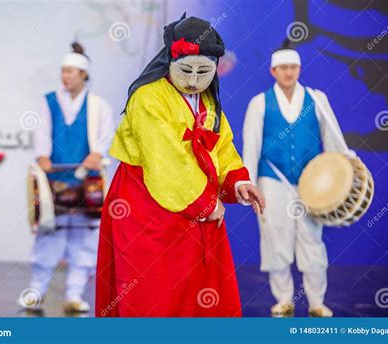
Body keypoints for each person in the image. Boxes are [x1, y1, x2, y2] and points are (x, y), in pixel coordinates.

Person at [95, 15, 265, 317]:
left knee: (200, 291)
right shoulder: (147, 98)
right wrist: (205, 204)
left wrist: (238, 182)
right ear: (170, 61)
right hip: (146, 206)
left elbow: (222, 145)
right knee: (153, 290)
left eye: (204, 71)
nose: (193, 79)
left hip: (196, 201)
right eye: (186, 70)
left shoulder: (208, 102)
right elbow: (165, 159)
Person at [242, 39, 349, 317]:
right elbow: (250, 147)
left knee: (312, 240)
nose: (289, 72)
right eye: (283, 67)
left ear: (299, 69)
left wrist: (344, 170)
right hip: (271, 180)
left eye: (293, 67)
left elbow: (334, 138)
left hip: (310, 183)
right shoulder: (259, 103)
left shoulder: (317, 98)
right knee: (275, 238)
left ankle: (316, 302)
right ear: (273, 71)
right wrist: (248, 183)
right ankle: (284, 299)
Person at [19, 42, 114, 313]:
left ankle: (74, 293)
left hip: (87, 178)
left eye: (71, 71)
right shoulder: (48, 101)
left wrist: (97, 154)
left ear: (83, 73)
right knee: (48, 232)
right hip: (55, 179)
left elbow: (105, 136)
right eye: (63, 71)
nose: (65, 76)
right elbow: (41, 133)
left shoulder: (98, 105)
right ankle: (36, 291)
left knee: (85, 237)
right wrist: (42, 156)